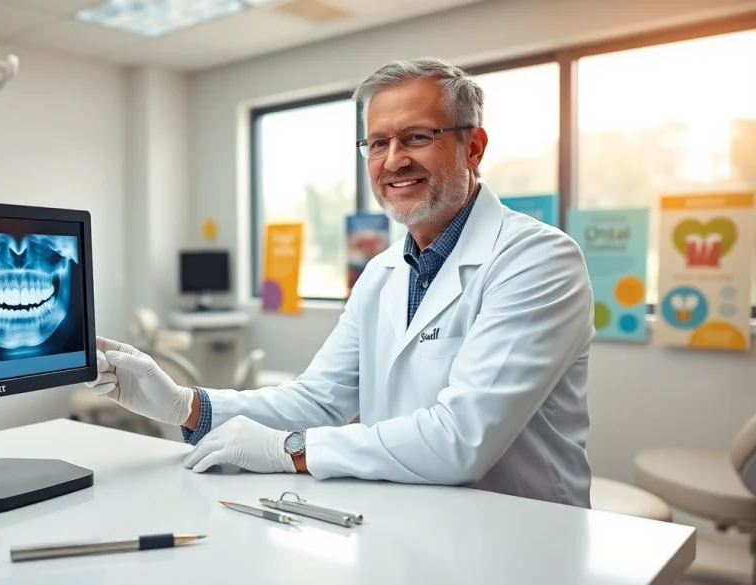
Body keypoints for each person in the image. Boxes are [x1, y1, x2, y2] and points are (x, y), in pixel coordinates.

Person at [88, 58, 594, 508]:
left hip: (518, 537)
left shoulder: (536, 260)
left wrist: (290, 450)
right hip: (409, 526)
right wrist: (184, 404)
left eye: (417, 137)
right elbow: (319, 401)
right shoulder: (382, 273)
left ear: (474, 147)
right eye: (378, 143)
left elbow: (462, 438)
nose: (393, 160)